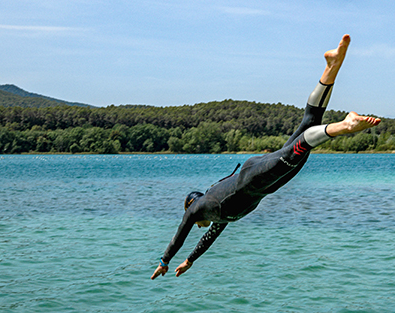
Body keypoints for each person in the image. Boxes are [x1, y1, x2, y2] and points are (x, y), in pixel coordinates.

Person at [151, 34, 381, 280]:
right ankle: (331, 66)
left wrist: (165, 261)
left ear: (190, 205)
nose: (197, 226)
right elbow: (208, 239)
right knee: (309, 124)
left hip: (253, 178)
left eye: (192, 218)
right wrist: (189, 261)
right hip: (265, 185)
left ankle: (346, 125)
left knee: (301, 145)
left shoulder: (198, 208)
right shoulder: (218, 217)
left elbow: (180, 234)